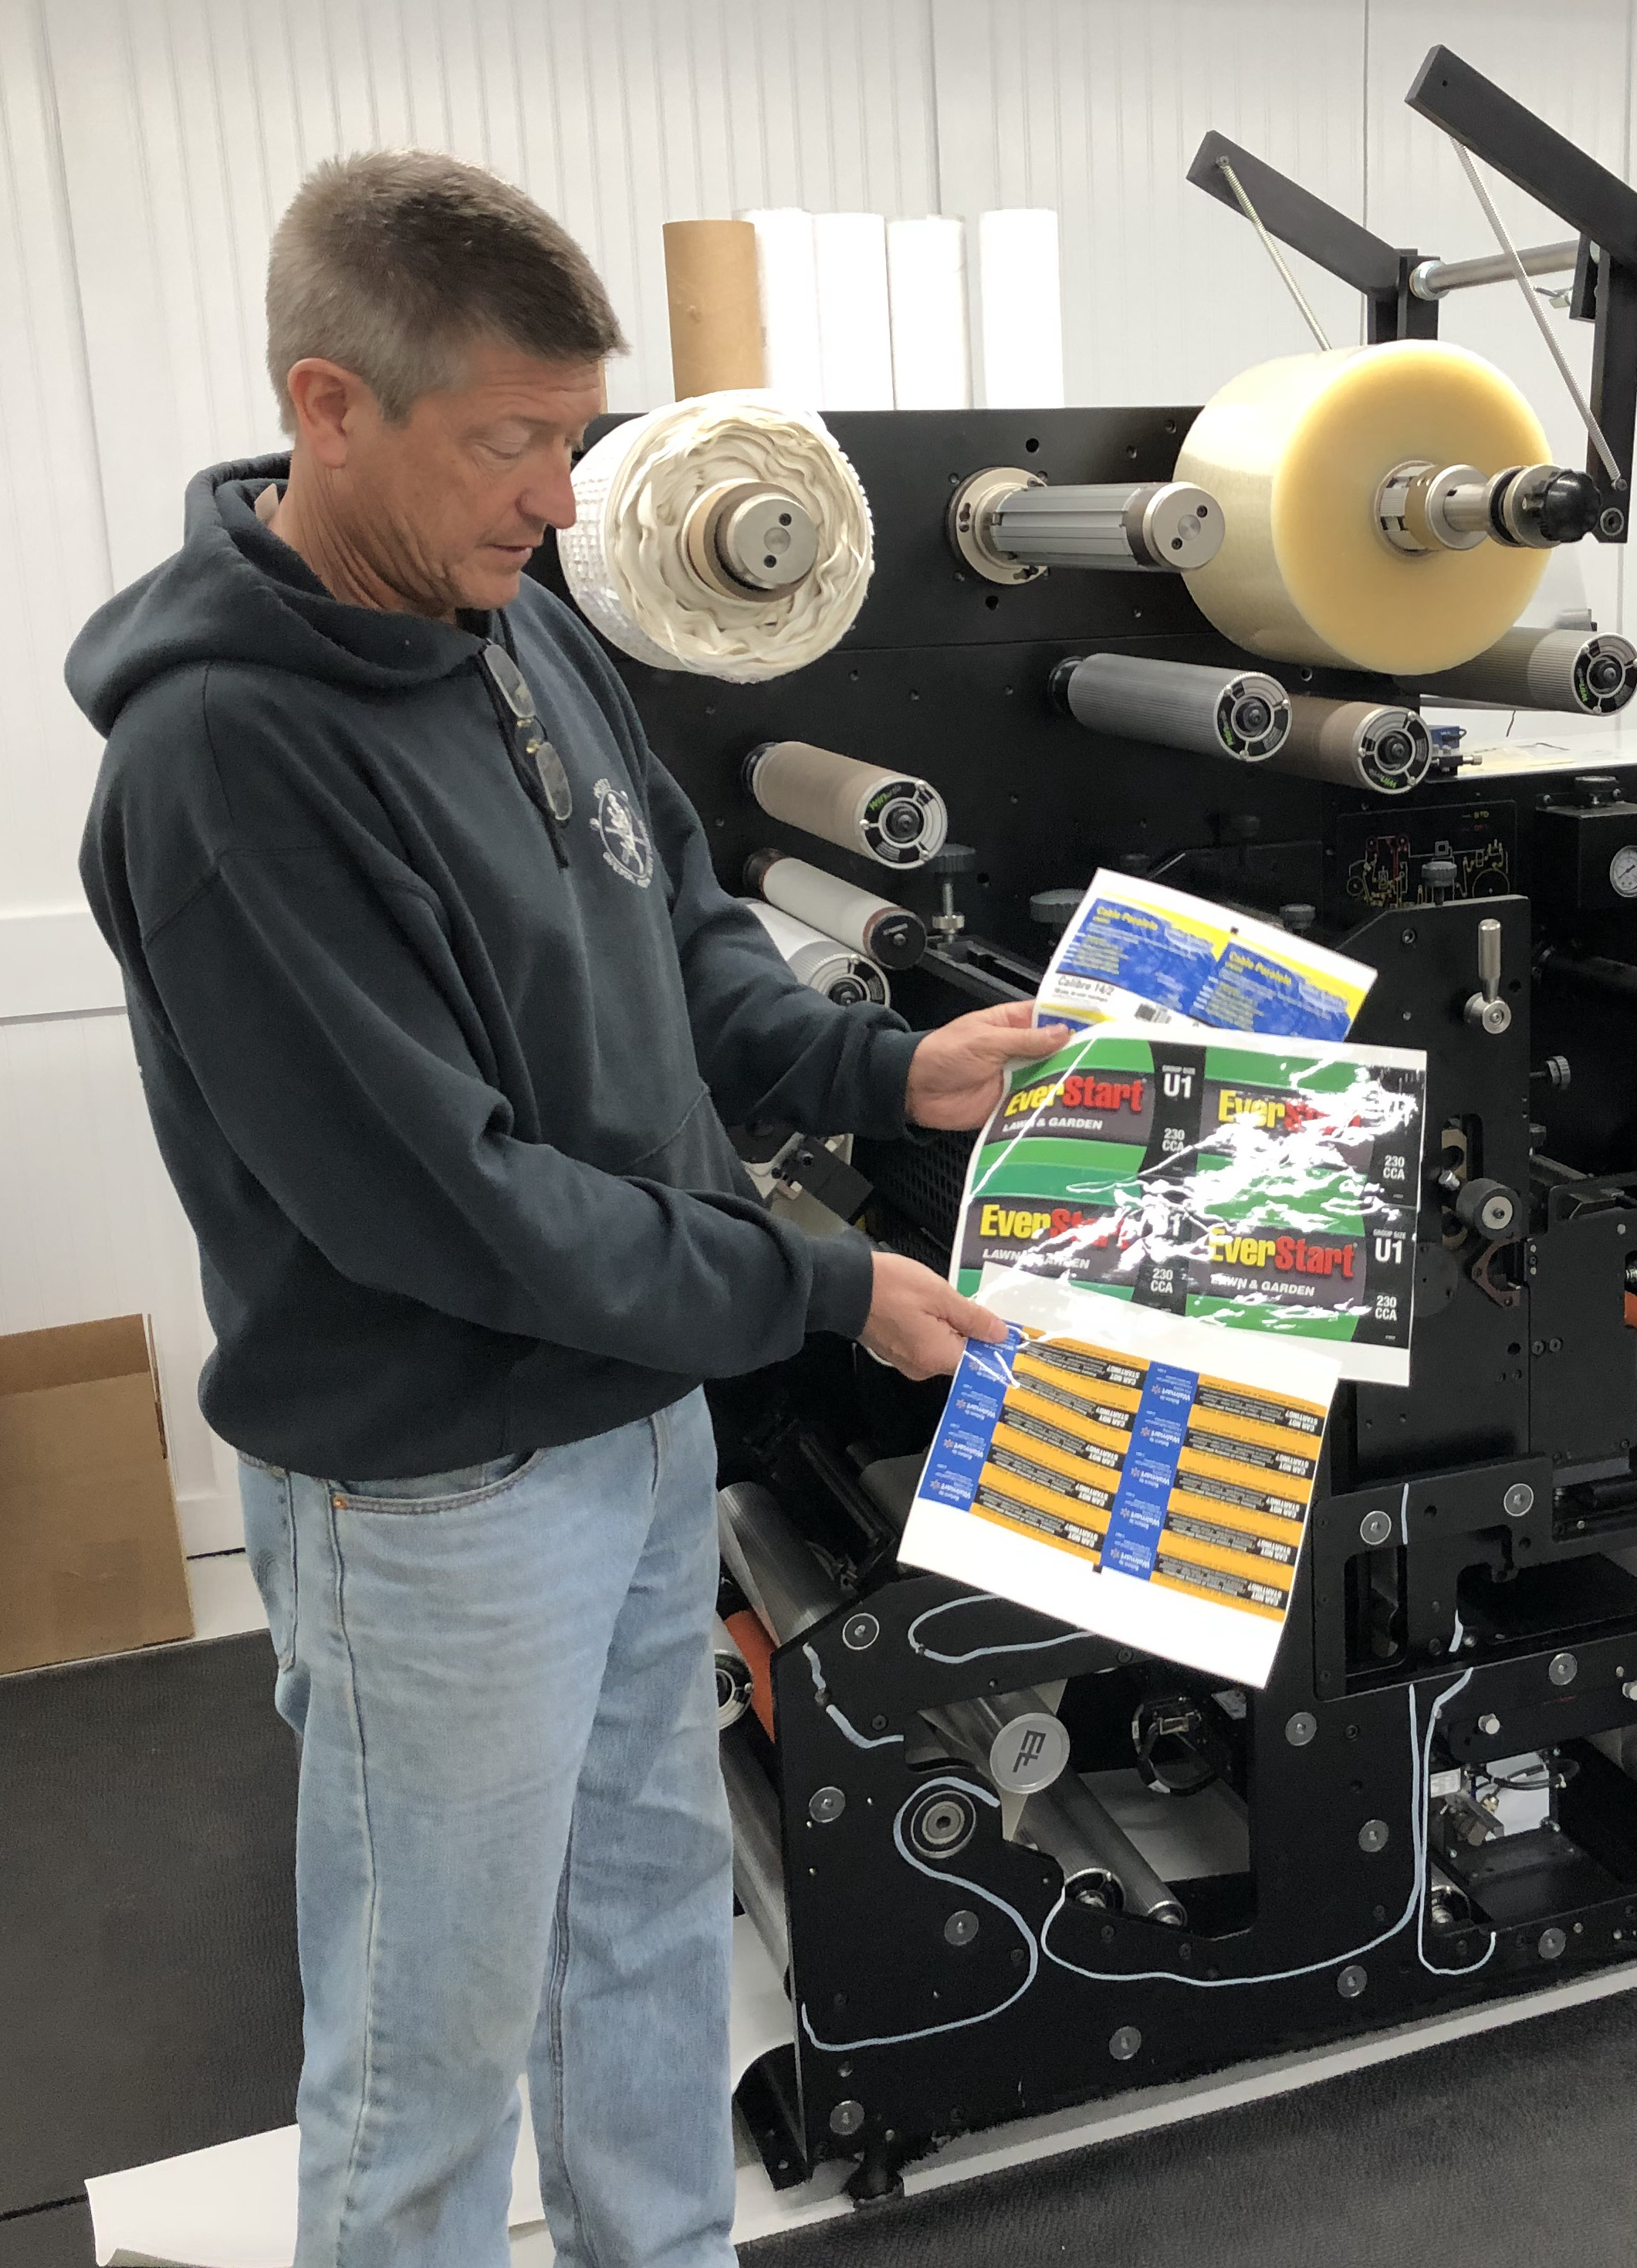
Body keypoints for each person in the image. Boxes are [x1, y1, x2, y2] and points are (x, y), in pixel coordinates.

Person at [69, 151, 1057, 2266]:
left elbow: (674, 921)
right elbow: (465, 1211)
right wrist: (822, 1284)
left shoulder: (508, 622)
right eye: (513, 442)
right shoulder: (229, 761)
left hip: (631, 1428)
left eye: (577, 439)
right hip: (440, 1495)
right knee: (431, 2054)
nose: (561, 495)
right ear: (331, 410)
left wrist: (877, 1068)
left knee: (644, 1943)